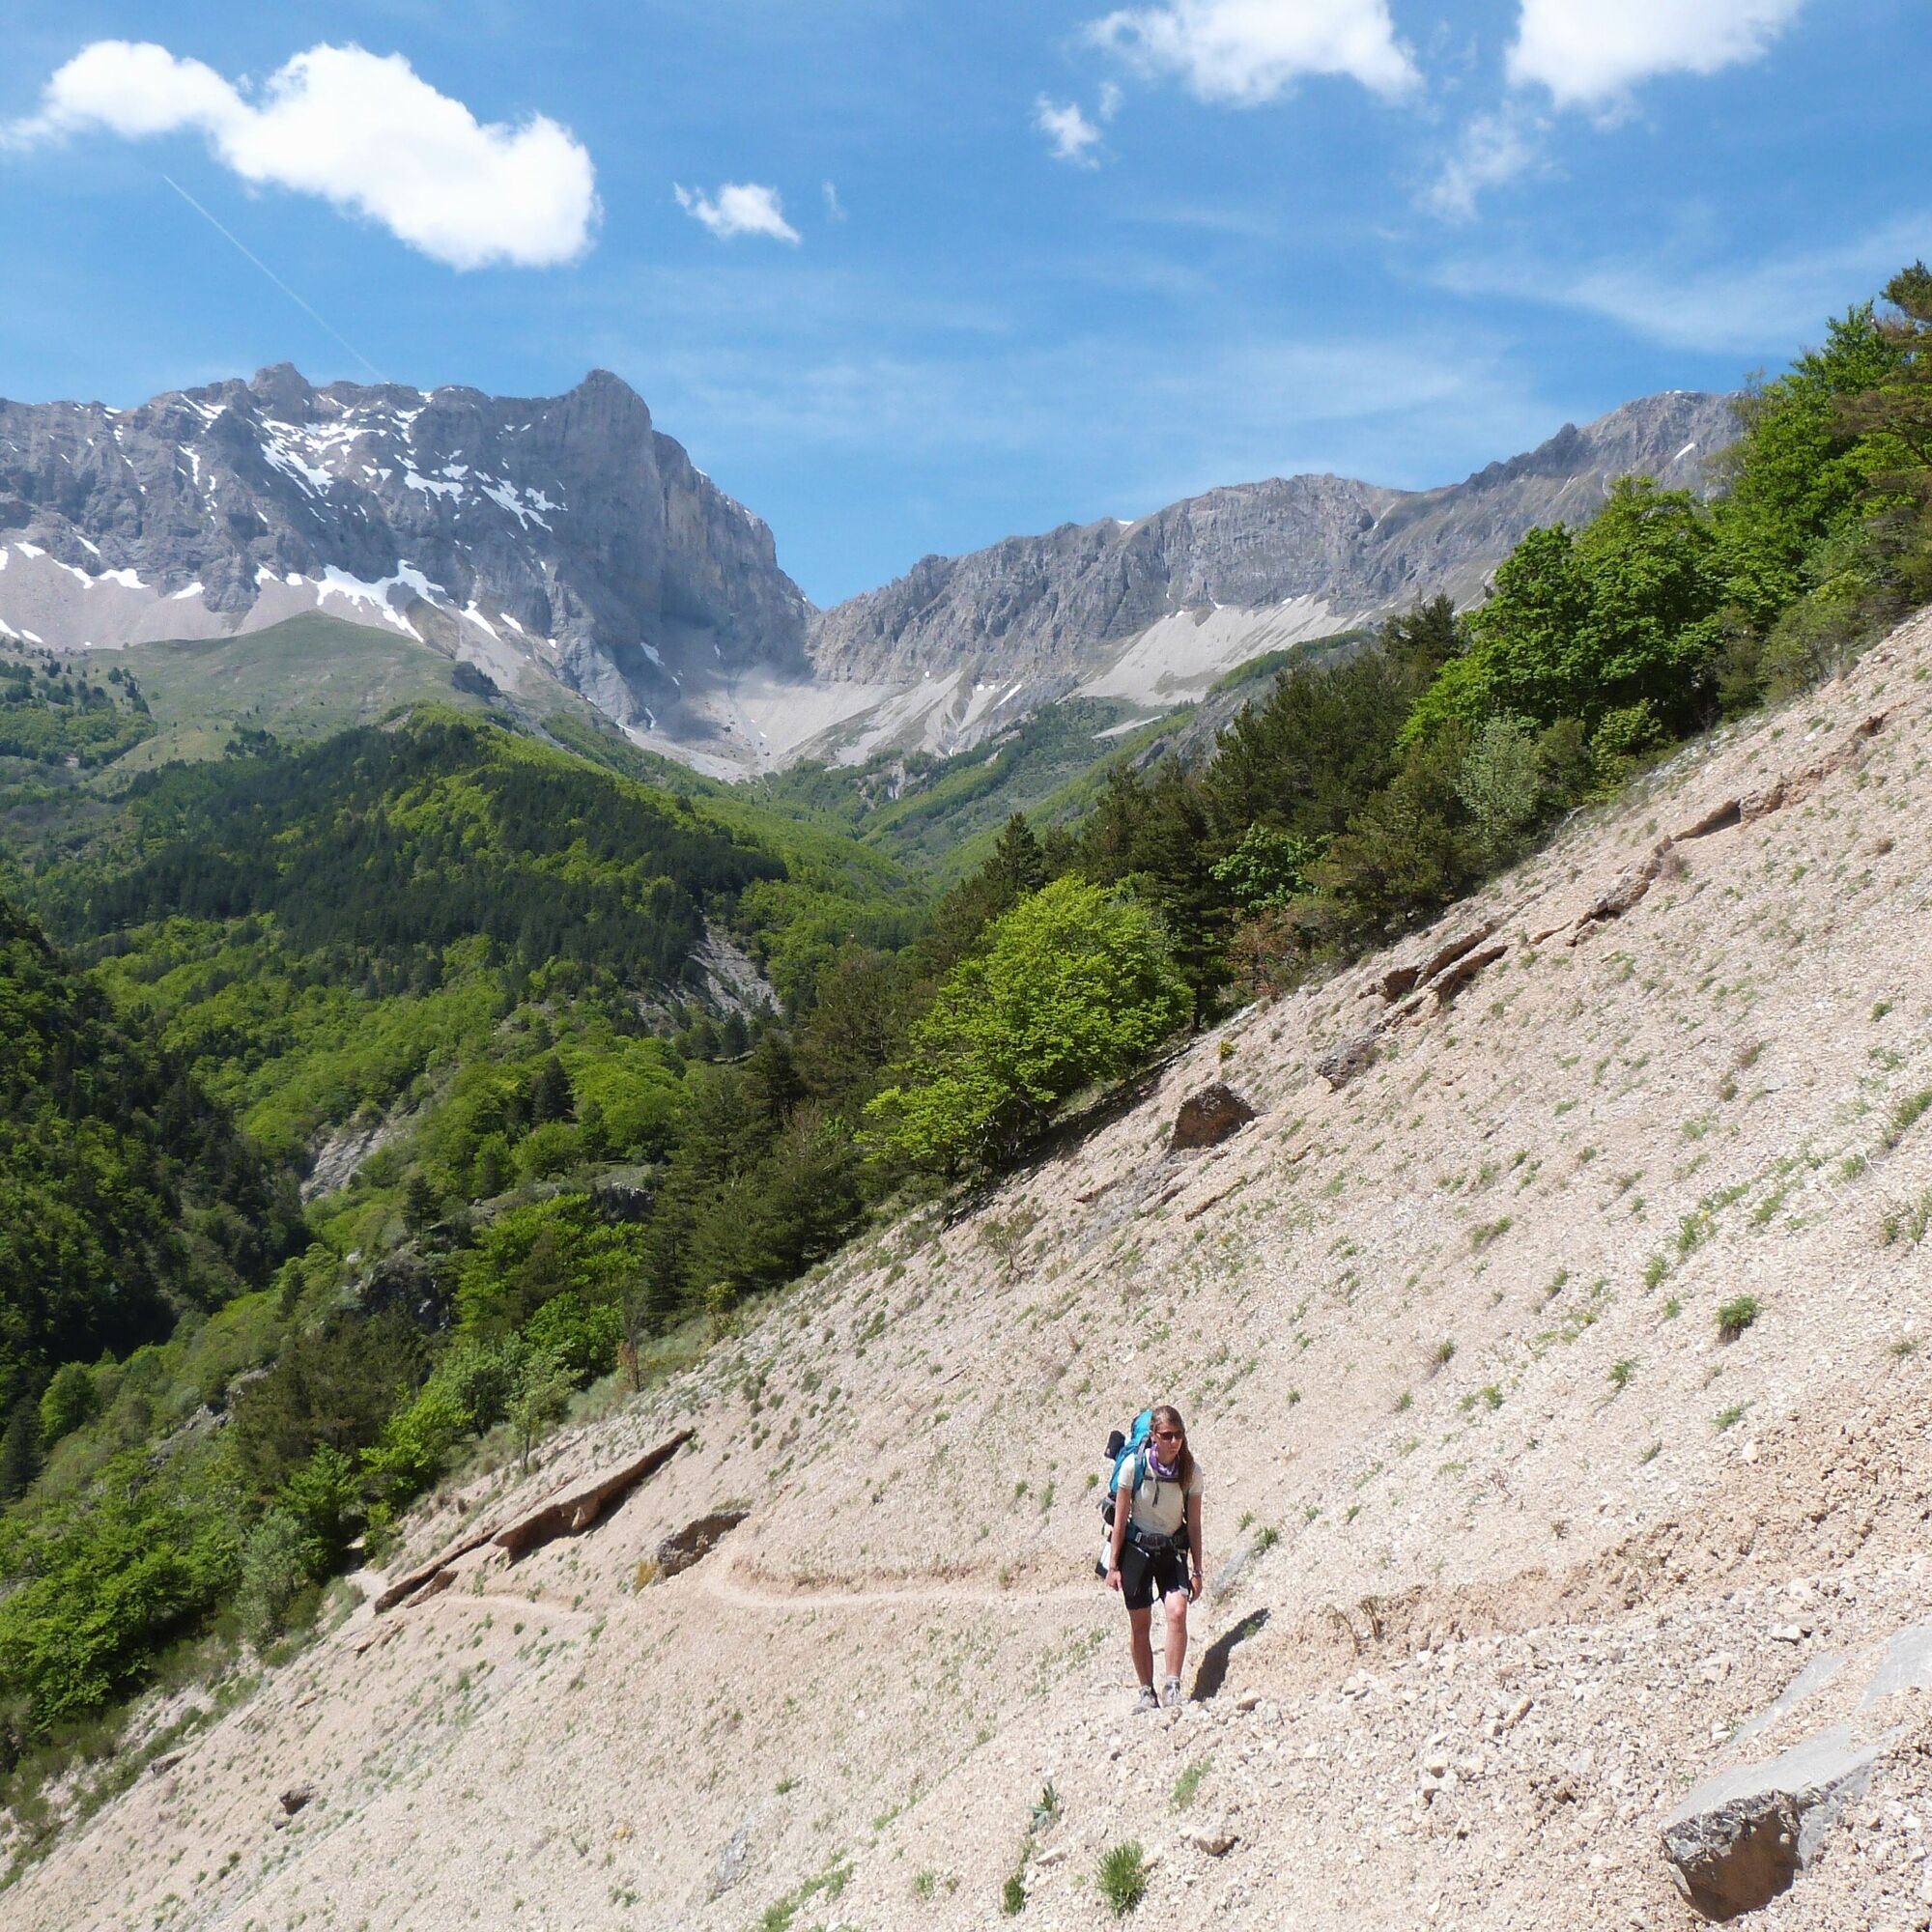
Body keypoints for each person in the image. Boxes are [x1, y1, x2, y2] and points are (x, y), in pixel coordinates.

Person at [1105, 1404, 1204, 1711]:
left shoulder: (1191, 1472)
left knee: (1177, 1612)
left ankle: (1172, 1685)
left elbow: (1195, 1524)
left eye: (1179, 1435)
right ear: (1153, 1436)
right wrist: (1113, 1566)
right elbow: (1120, 1521)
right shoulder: (1132, 1467)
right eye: (1167, 1435)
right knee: (1140, 1624)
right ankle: (1146, 1691)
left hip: (1171, 1551)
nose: (1174, 1442)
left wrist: (1198, 1570)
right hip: (1137, 1552)